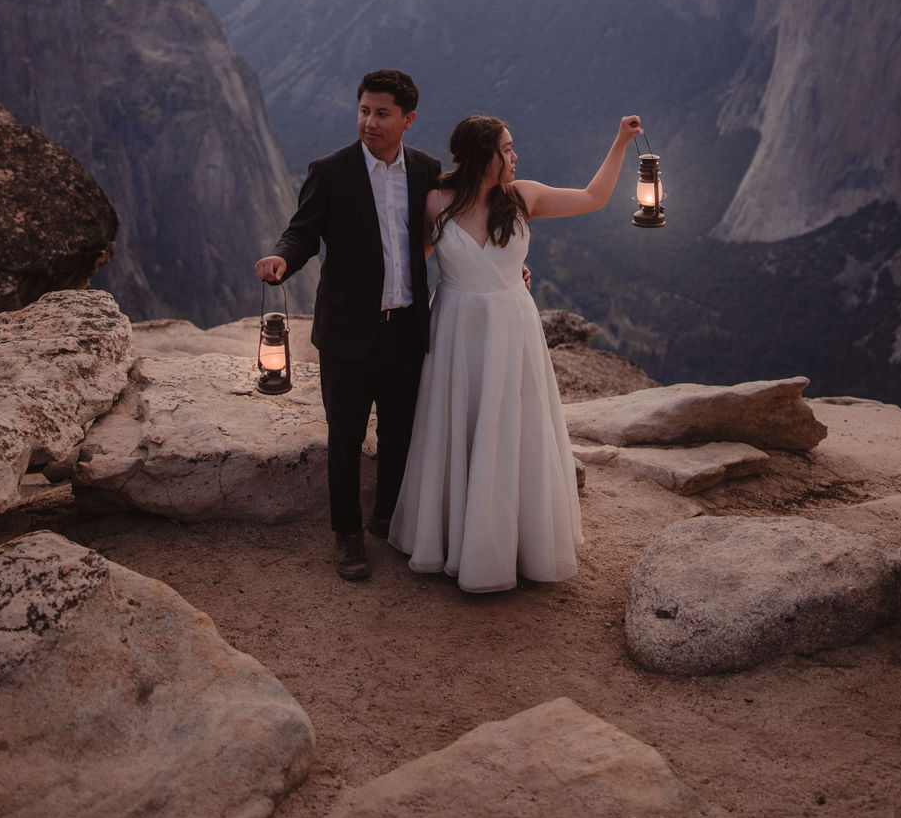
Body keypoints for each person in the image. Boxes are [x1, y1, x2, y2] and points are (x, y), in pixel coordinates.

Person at [389, 111, 643, 594]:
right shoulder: (435, 202)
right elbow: (410, 263)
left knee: (512, 429)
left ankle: (518, 544)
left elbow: (594, 198)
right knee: (461, 425)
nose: (515, 155)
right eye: (507, 148)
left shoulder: (523, 196)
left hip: (513, 330)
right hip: (457, 331)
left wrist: (619, 142)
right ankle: (456, 538)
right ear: (483, 154)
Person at [255, 70, 441, 583]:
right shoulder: (331, 170)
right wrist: (280, 259)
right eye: (363, 110)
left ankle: (388, 519)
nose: (369, 122)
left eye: (382, 113)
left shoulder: (426, 169)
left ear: (408, 119)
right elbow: (303, 233)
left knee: (400, 433)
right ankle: (348, 535)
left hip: (405, 329)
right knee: (345, 437)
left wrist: (506, 260)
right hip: (346, 334)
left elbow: (453, 225)